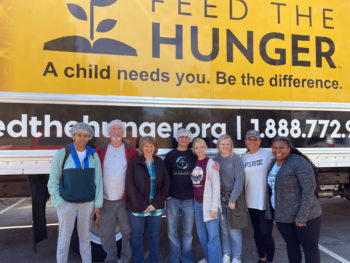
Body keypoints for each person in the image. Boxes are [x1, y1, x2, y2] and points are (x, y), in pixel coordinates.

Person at [47, 122, 103, 263]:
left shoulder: (93, 155)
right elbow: (52, 182)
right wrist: (59, 203)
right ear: (73, 136)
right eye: (79, 135)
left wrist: (97, 204)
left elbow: (98, 182)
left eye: (85, 136)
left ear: (89, 137)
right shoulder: (62, 154)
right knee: (64, 239)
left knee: (85, 239)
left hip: (87, 204)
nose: (82, 139)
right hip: (67, 204)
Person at [265, 136, 322, 263]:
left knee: (310, 249)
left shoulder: (298, 162)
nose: (277, 150)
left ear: (289, 148)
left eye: (281, 147)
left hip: (306, 216)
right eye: (274, 148)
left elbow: (309, 189)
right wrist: (273, 213)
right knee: (292, 247)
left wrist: (302, 215)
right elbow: (271, 190)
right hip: (283, 217)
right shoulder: (273, 163)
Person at [96, 119, 138, 263]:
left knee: (127, 231)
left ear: (123, 132)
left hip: (125, 200)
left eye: (119, 129)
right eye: (113, 129)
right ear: (108, 132)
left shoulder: (130, 150)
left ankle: (126, 258)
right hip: (106, 200)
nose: (116, 131)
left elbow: (136, 173)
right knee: (106, 233)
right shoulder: (100, 150)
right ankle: (111, 258)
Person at [125, 136, 170, 263]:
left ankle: (153, 260)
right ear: (141, 148)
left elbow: (166, 184)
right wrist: (142, 205)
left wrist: (155, 204)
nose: (149, 148)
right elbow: (130, 185)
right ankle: (139, 260)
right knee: (137, 236)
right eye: (146, 146)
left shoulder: (160, 162)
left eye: (151, 146)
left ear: (155, 148)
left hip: (155, 208)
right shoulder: (135, 163)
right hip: (137, 207)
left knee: (154, 236)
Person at [241, 130, 275, 263]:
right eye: (250, 140)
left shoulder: (268, 154)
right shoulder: (243, 158)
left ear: (260, 141)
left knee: (266, 233)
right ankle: (262, 257)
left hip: (265, 201)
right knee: (257, 232)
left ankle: (270, 260)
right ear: (245, 142)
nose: (252, 142)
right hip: (250, 201)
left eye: (255, 139)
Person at [165, 128, 196, 263]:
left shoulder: (193, 155)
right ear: (177, 139)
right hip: (173, 199)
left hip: (189, 199)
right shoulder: (170, 155)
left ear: (190, 140)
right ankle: (174, 258)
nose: (184, 139)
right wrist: (167, 194)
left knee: (188, 233)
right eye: (181, 137)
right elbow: (165, 176)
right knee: (172, 232)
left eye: (186, 137)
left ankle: (186, 258)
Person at [214, 135, 246, 263]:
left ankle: (236, 256)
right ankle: (226, 254)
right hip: (220, 198)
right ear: (218, 145)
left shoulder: (236, 159)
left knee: (234, 228)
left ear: (231, 145)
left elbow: (239, 181)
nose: (225, 147)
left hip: (234, 197)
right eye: (223, 144)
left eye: (228, 144)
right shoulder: (216, 160)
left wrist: (232, 200)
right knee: (223, 228)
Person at [191, 138, 222, 263]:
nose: (199, 150)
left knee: (213, 236)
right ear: (194, 150)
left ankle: (215, 261)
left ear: (205, 148)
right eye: (196, 147)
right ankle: (210, 258)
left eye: (201, 147)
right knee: (202, 235)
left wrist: (214, 207)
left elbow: (216, 187)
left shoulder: (211, 164)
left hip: (209, 204)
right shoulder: (194, 163)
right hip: (197, 203)